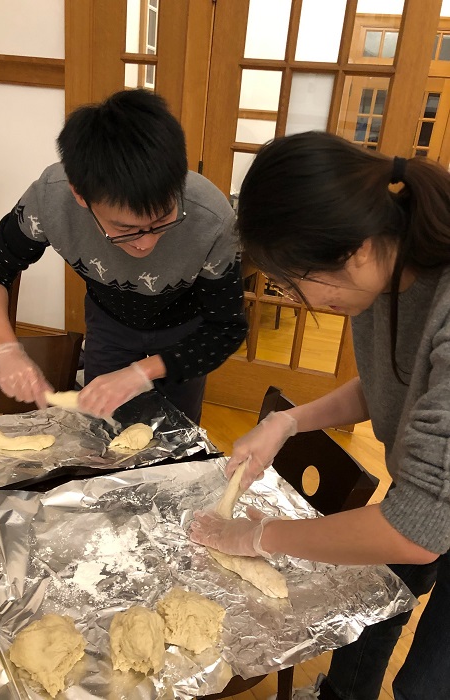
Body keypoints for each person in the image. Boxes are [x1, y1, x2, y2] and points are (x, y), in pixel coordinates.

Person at [190, 131, 450, 699]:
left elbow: (417, 533)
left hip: (432, 511)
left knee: (428, 683)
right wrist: (287, 422)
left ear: (352, 249)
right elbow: (393, 385)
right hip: (430, 492)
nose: (297, 298)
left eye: (293, 281)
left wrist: (257, 535)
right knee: (372, 599)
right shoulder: (385, 275)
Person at [0, 89, 247, 424]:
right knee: (99, 430)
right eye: (126, 228)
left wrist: (142, 372)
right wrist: (5, 349)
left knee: (178, 433)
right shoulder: (52, 199)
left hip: (185, 333)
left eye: (163, 221)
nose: (146, 244)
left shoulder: (211, 221)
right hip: (110, 322)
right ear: (80, 194)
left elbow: (225, 328)